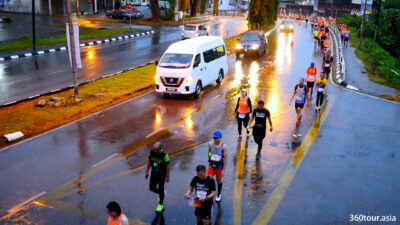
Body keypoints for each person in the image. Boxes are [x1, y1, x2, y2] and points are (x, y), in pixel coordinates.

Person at [145, 142, 170, 213]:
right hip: (154, 173)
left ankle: (160, 205)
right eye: (154, 149)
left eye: (156, 150)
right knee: (151, 188)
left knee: (161, 189)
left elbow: (167, 166)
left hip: (161, 175)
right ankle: (161, 193)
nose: (155, 151)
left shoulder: (165, 156)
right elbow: (149, 161)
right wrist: (146, 171)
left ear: (160, 149)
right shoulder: (151, 152)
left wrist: (167, 176)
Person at [207, 131, 228, 202]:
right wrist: (209, 158)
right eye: (214, 137)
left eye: (216, 138)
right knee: (209, 179)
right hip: (211, 165)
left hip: (219, 166)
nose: (214, 139)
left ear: (220, 137)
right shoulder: (210, 144)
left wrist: (223, 170)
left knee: (218, 180)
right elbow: (209, 152)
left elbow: (225, 158)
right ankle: (210, 193)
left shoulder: (223, 146)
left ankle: (219, 194)